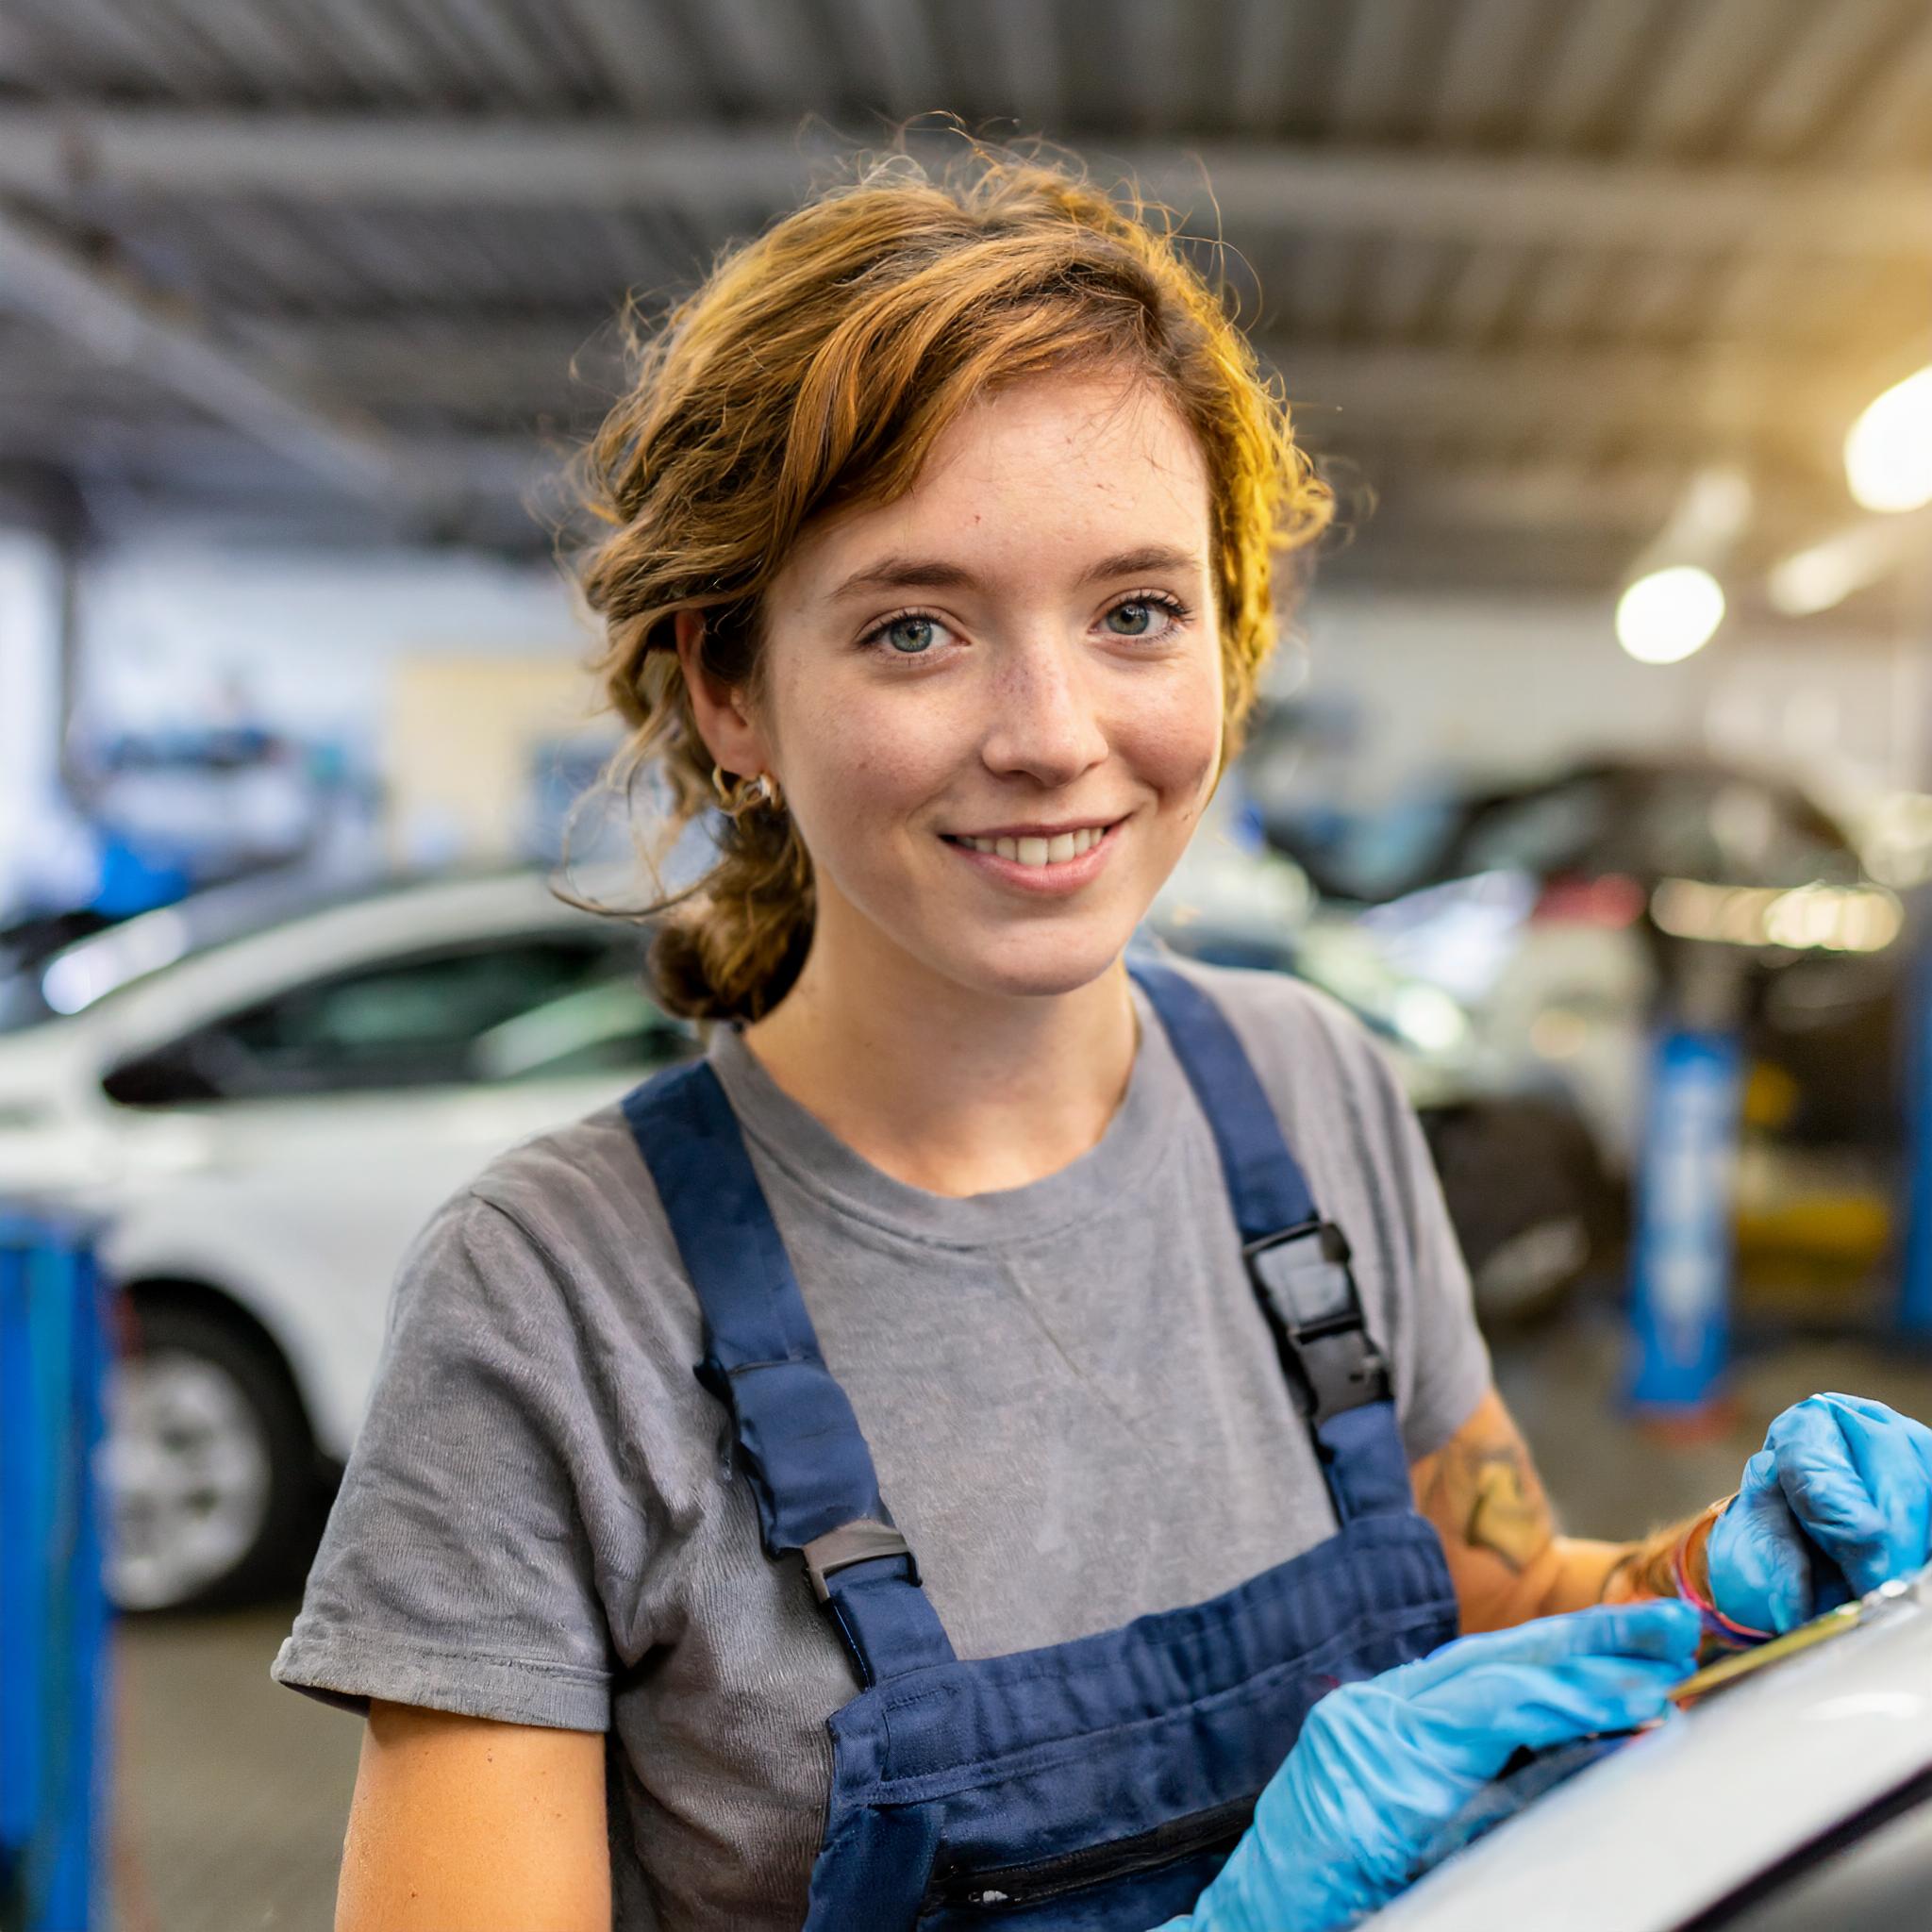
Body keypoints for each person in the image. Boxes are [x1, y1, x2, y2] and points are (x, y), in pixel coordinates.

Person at [271, 148, 1932, 1932]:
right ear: (729, 688)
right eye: (916, 628)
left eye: (1136, 612)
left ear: (1230, 628)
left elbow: (1497, 1585)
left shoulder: (1313, 1093)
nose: (1053, 734)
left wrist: (1733, 1580)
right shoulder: (554, 1306)